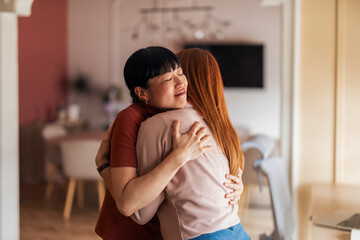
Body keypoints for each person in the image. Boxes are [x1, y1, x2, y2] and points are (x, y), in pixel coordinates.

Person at [95, 46, 243, 240]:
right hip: (133, 232)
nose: (180, 82)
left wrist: (231, 187)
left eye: (181, 73)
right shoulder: (133, 118)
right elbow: (128, 203)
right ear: (142, 92)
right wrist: (104, 165)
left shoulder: (181, 120)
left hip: (166, 229)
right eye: (167, 78)